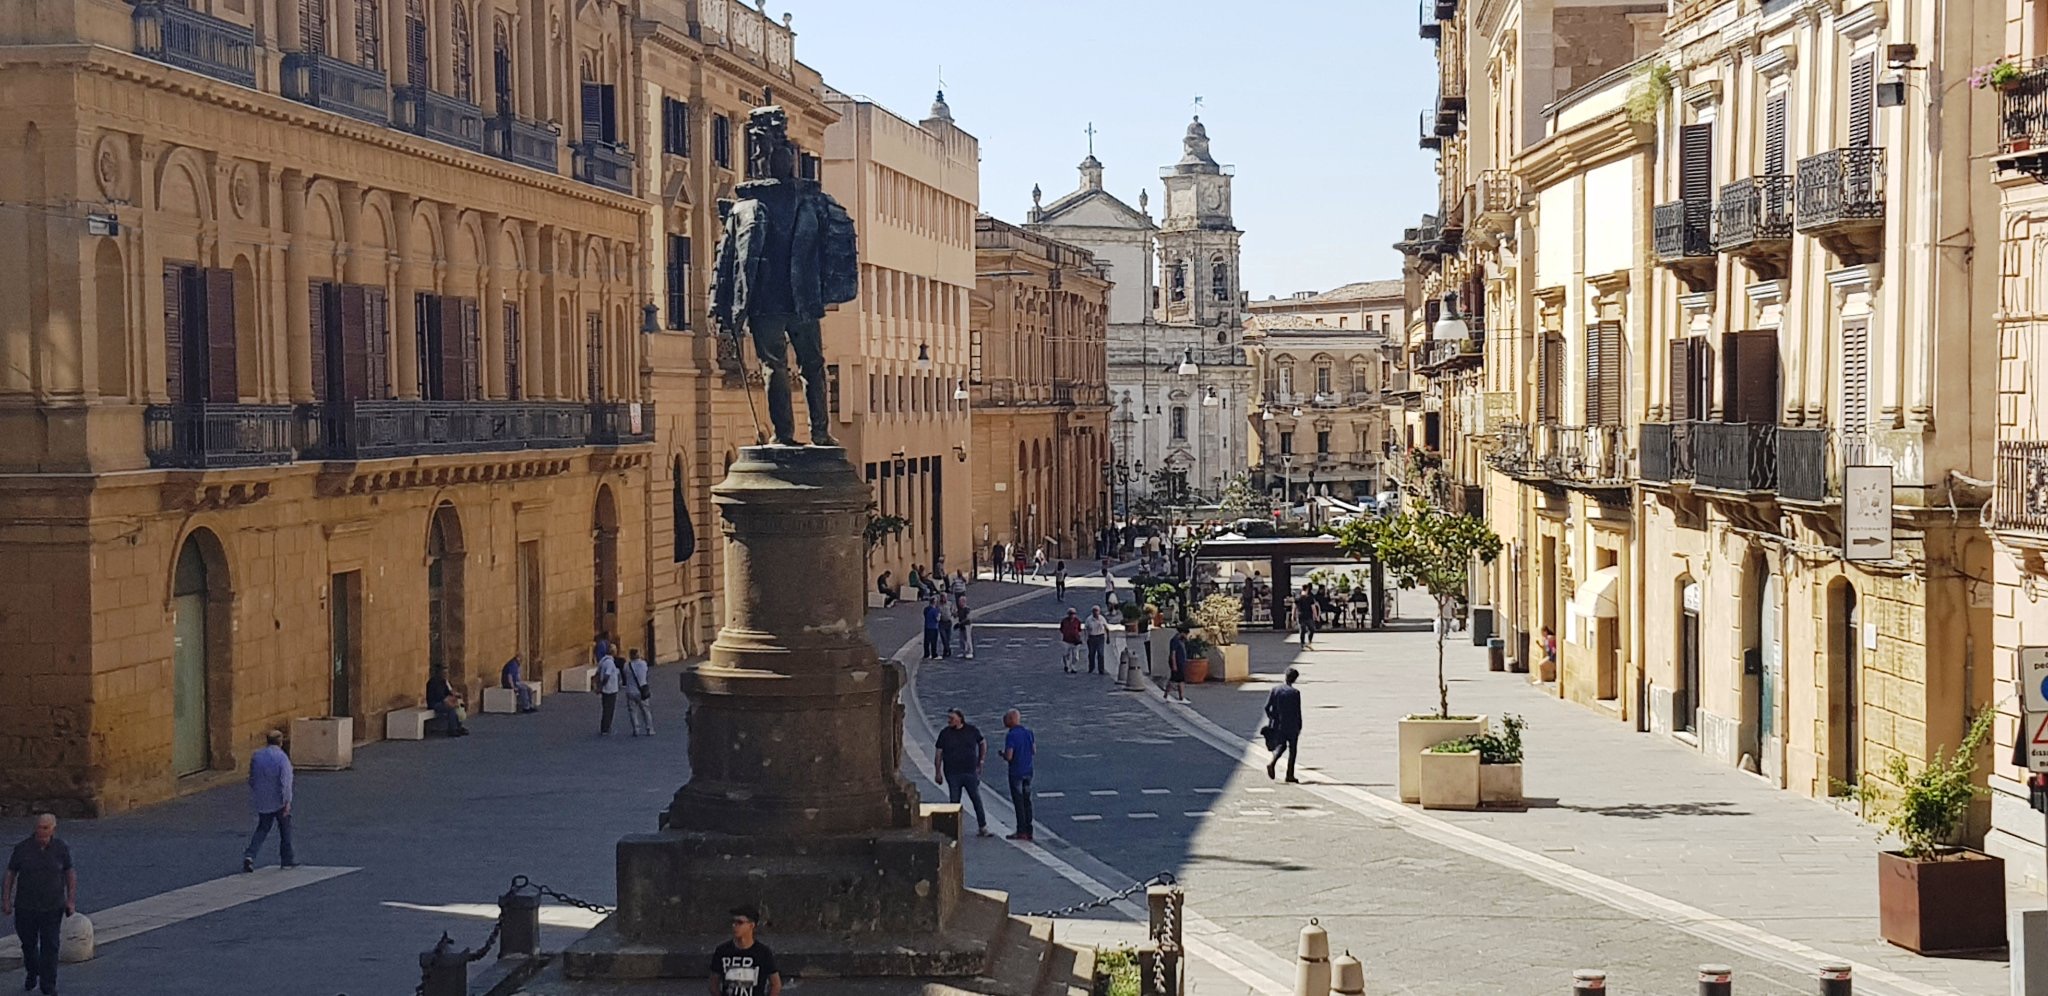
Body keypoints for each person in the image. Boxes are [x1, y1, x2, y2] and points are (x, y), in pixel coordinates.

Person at [4, 815, 74, 996]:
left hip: (52, 906)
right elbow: (10, 874)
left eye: (45, 828)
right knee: (28, 944)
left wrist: (70, 900)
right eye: (39, 828)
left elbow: (69, 873)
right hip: (26, 906)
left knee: (50, 945)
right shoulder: (22, 849)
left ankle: (48, 984)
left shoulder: (61, 848)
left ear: (53, 829)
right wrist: (6, 899)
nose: (41, 831)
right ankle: (32, 971)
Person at [242, 730, 297, 872]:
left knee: (262, 828)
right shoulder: (282, 758)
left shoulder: (257, 756)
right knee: (285, 829)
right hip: (278, 800)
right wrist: (287, 801)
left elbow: (252, 778)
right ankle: (287, 860)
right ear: (281, 742)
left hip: (262, 799)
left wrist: (257, 793)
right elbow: (285, 782)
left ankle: (250, 855)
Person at [934, 709, 993, 837]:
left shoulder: (971, 730)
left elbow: (982, 742)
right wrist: (938, 771)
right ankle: (954, 829)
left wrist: (981, 761)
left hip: (970, 771)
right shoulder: (945, 733)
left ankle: (982, 826)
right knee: (954, 801)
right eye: (948, 718)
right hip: (952, 772)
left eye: (952, 718)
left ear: (960, 718)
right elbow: (938, 753)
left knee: (976, 799)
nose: (949, 720)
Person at [710, 905, 782, 996]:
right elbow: (713, 984)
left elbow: (776, 984)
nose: (734, 925)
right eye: (733, 922)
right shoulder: (722, 951)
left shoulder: (763, 952)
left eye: (739, 922)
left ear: (751, 926)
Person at [1000, 709, 1035, 842]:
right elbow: (1033, 750)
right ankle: (1029, 830)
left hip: (1016, 772)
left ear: (1010, 720)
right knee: (1027, 801)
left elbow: (1009, 756)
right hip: (1028, 771)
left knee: (1019, 802)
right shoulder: (1028, 733)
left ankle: (1021, 831)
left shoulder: (1011, 735)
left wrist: (1003, 755)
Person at [1264, 668, 1304, 783]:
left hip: (1279, 725)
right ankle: (1289, 774)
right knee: (1293, 750)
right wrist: (1299, 725)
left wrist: (1273, 719)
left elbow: (1267, 708)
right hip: (1292, 725)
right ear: (1295, 679)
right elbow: (1297, 711)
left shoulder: (1275, 690)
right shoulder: (1295, 693)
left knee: (1281, 746)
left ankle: (1272, 762)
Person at [425, 667, 469, 736]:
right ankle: (452, 729)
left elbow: (448, 692)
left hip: (442, 701)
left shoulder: (443, 682)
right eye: (443, 673)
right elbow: (438, 696)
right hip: (434, 703)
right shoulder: (432, 683)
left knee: (458, 706)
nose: (445, 675)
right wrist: (448, 701)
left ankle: (458, 727)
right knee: (450, 709)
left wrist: (456, 697)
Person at [624, 648, 655, 737]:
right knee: (645, 710)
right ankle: (649, 729)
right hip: (641, 691)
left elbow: (625, 675)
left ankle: (636, 729)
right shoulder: (643, 664)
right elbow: (645, 672)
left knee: (632, 711)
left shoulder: (627, 666)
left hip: (630, 690)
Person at [595, 649, 622, 735]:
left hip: (605, 690)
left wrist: (598, 685)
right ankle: (606, 729)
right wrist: (601, 685)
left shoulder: (602, 660)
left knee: (605, 708)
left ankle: (604, 727)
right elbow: (607, 675)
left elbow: (597, 673)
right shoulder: (610, 663)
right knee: (609, 710)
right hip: (611, 689)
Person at [1165, 624, 1190, 703]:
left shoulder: (1180, 640)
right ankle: (1178, 696)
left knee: (1178, 680)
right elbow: (1173, 653)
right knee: (1176, 680)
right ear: (1182, 633)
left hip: (1180, 662)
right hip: (1177, 662)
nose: (1186, 636)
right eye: (1186, 634)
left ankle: (1180, 696)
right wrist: (1174, 664)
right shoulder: (1175, 640)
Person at [1083, 606, 1110, 675]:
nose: (1096, 612)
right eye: (1094, 611)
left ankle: (1101, 669)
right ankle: (1091, 668)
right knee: (1092, 654)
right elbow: (1086, 629)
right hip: (1092, 637)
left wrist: (1108, 638)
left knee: (1100, 654)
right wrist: (1086, 638)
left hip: (1100, 637)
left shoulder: (1102, 618)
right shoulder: (1089, 619)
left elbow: (1106, 628)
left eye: (1097, 611)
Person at [1294, 585, 1321, 651]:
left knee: (1302, 630)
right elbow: (1313, 608)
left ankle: (1302, 644)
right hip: (1308, 616)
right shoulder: (1310, 598)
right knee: (1311, 629)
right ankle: (1309, 642)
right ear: (1307, 590)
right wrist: (1316, 616)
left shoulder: (1298, 598)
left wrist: (1293, 615)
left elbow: (1294, 607)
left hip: (1300, 615)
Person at [1058, 608, 1084, 674]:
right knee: (1065, 654)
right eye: (1070, 614)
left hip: (1075, 641)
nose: (1072, 615)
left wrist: (1078, 637)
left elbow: (1079, 630)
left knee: (1075, 656)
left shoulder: (1077, 621)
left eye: (1073, 614)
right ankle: (1067, 665)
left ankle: (1073, 666)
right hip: (1066, 640)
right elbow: (1061, 629)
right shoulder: (1064, 621)